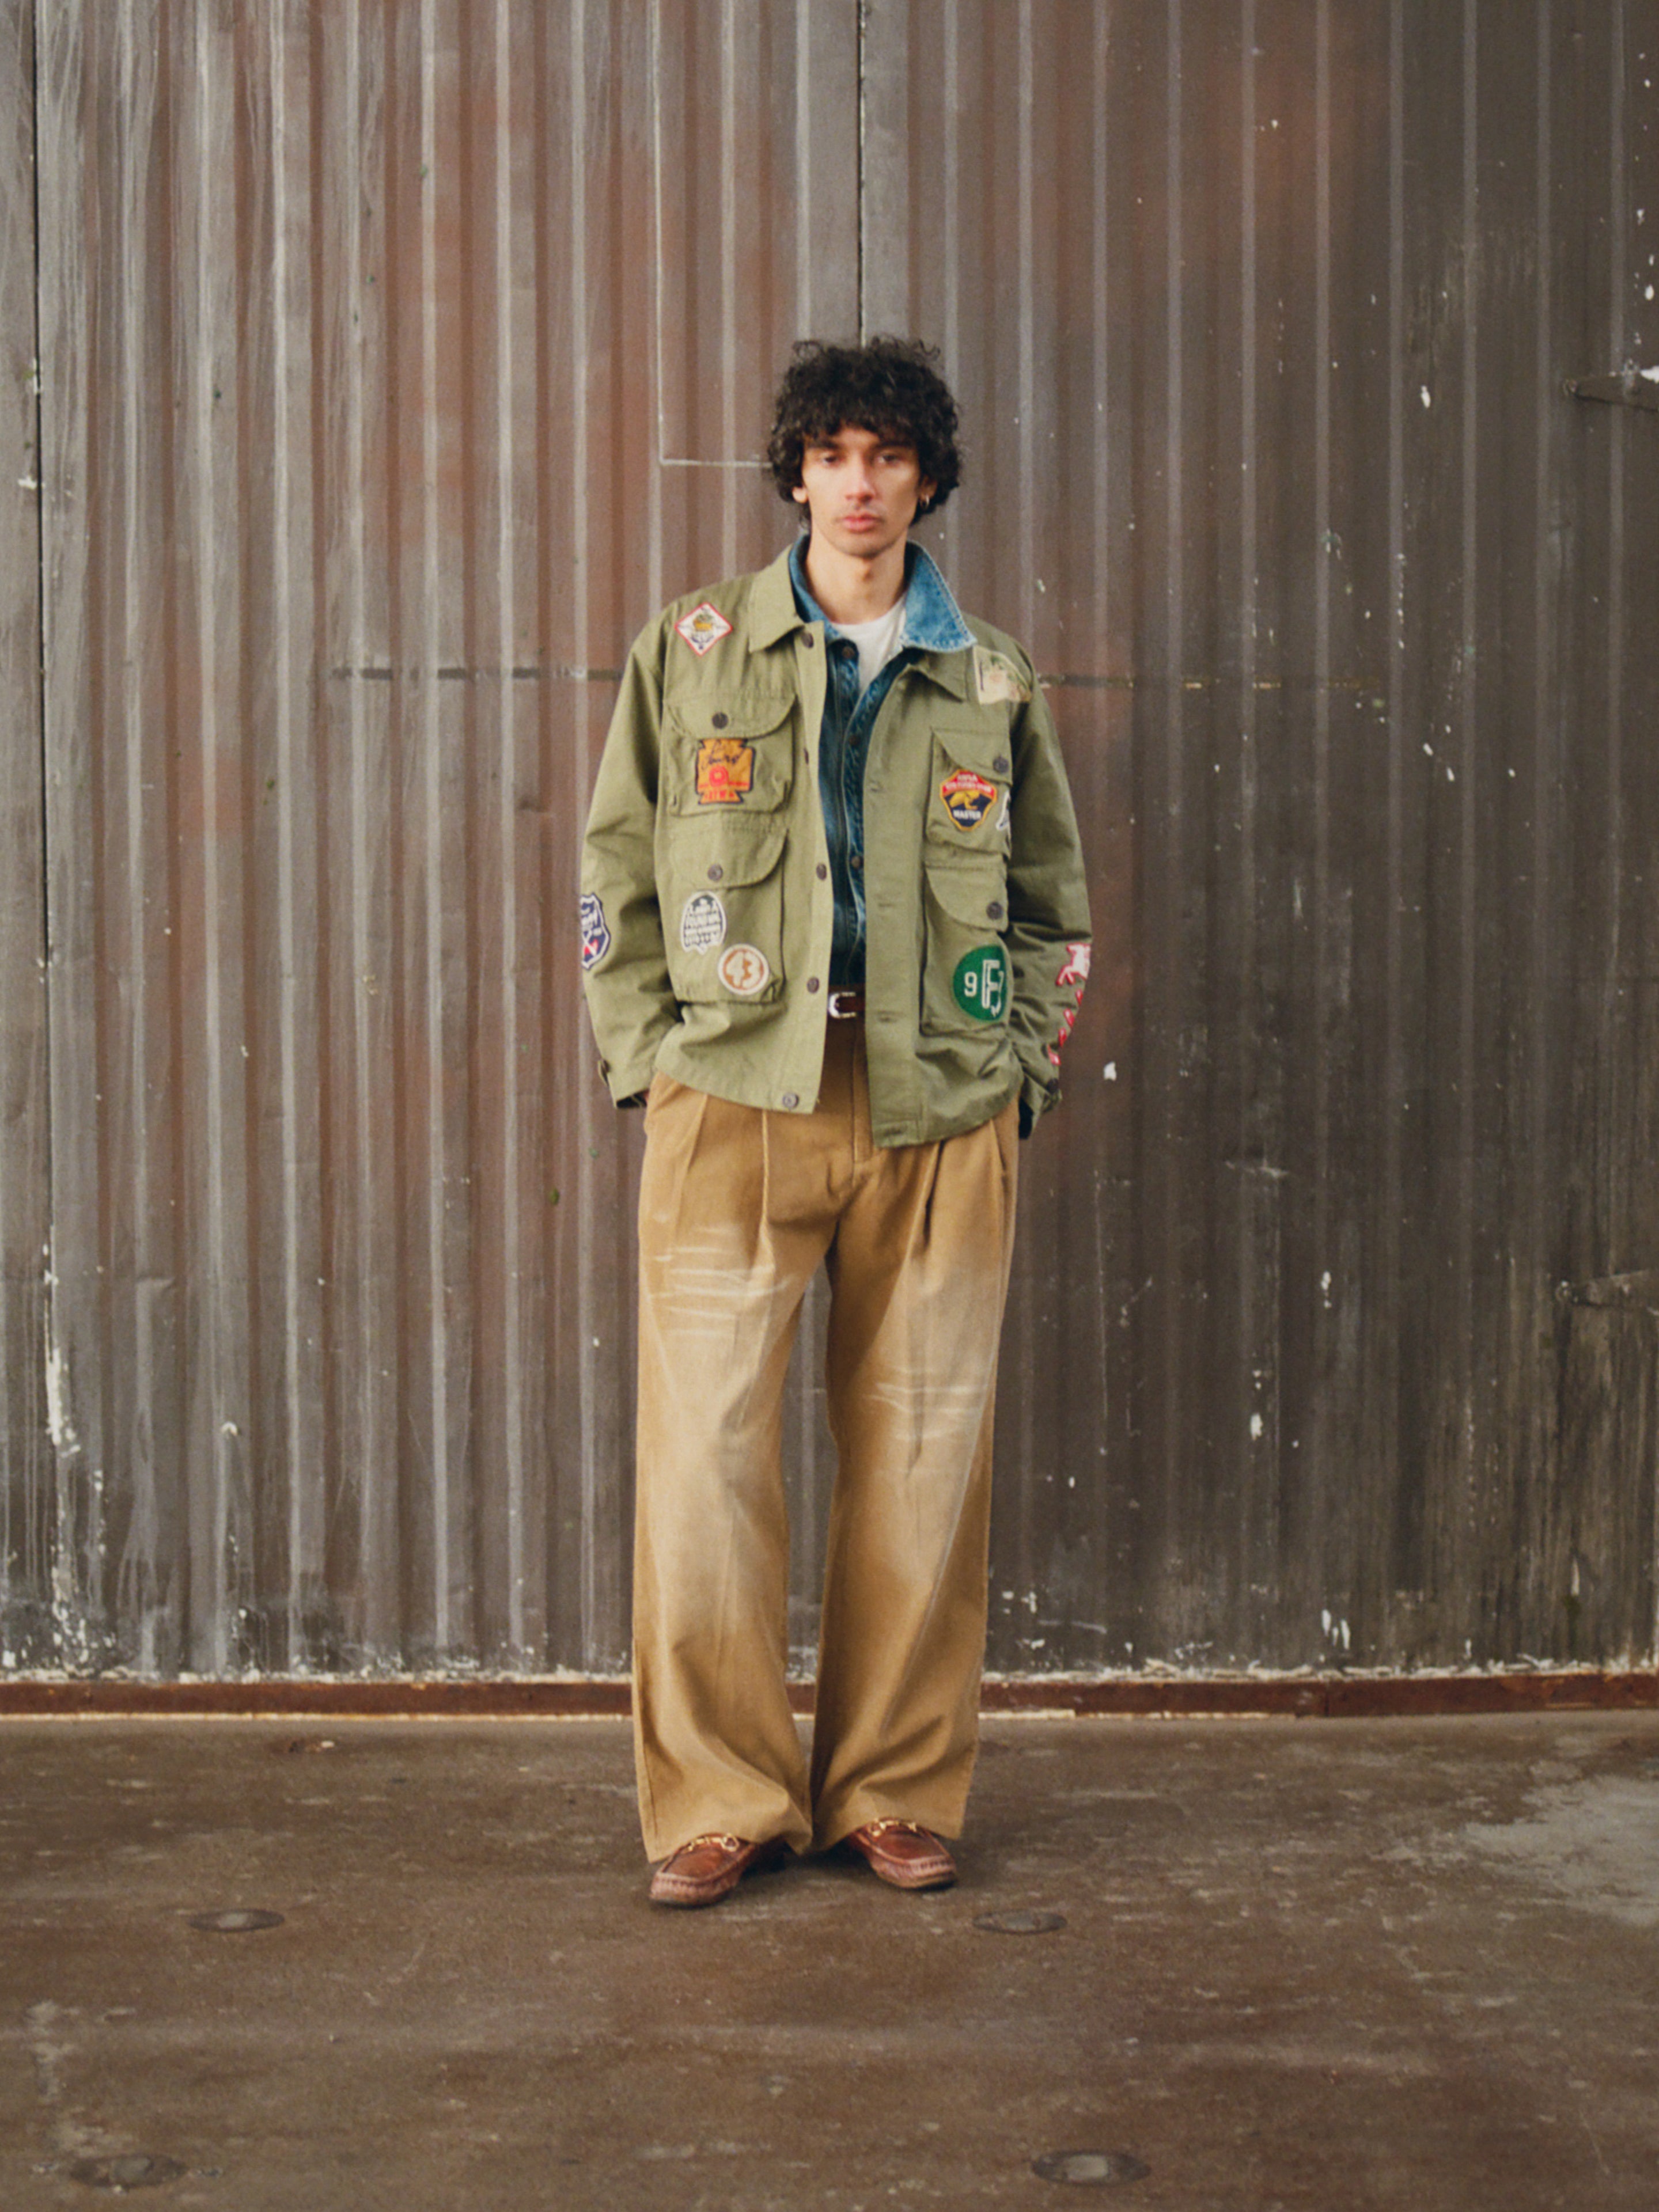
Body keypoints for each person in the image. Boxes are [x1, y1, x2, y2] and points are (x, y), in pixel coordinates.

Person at [579, 337, 1091, 1907]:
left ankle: (893, 1788)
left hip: (937, 1104)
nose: (859, 484)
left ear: (928, 478)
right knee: (707, 1460)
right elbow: (617, 876)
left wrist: (1019, 1072)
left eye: (889, 457)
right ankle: (720, 1797)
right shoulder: (697, 646)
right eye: (833, 454)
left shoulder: (991, 677)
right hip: (734, 1096)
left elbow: (1051, 903)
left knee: (926, 1457)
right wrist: (651, 1059)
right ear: (795, 473)